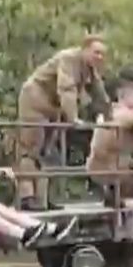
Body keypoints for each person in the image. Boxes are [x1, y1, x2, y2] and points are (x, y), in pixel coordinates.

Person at [16, 36, 110, 211]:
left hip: (53, 106)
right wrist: (73, 118)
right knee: (31, 148)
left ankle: (42, 199)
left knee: (47, 150)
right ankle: (27, 196)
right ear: (85, 49)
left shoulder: (89, 68)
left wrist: (110, 115)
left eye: (103, 54)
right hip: (35, 98)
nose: (100, 57)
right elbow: (66, 89)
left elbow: (99, 93)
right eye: (96, 52)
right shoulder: (69, 58)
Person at [88, 80, 133, 204]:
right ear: (126, 99)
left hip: (102, 164)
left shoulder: (110, 113)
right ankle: (117, 196)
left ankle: (114, 195)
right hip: (109, 165)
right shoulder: (125, 115)